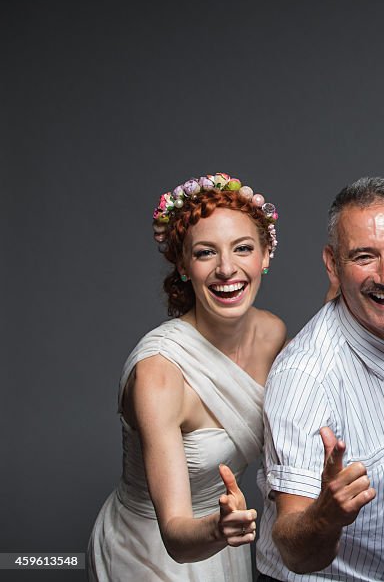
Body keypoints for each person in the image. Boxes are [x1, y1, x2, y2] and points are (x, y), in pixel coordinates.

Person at [257, 176, 384, 582]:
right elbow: (294, 551)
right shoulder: (304, 378)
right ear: (333, 265)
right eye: (364, 257)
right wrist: (325, 516)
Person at [88, 173, 286, 581]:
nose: (226, 268)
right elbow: (175, 535)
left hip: (225, 543)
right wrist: (220, 527)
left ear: (265, 255)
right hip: (150, 550)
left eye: (243, 248)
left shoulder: (272, 335)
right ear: (183, 264)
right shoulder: (158, 376)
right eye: (205, 253)